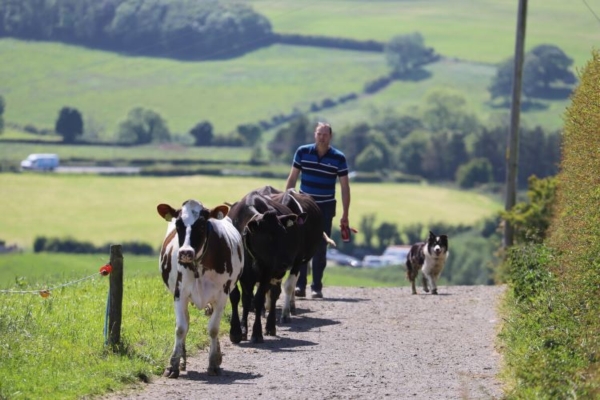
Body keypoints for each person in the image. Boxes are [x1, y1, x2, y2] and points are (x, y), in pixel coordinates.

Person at [285, 122, 351, 299]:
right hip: (304, 205)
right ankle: (300, 286)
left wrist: (345, 214)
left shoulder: (339, 158)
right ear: (315, 135)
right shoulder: (302, 152)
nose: (322, 137)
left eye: (325, 134)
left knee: (321, 246)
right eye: (319, 134)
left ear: (330, 136)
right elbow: (292, 178)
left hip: (325, 207)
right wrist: (285, 202)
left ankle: (317, 287)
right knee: (301, 245)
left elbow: (345, 187)